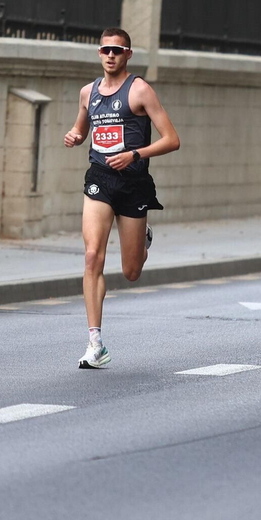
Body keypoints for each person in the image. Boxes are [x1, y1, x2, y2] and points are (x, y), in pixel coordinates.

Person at [63, 28, 181, 369]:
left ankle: (142, 241)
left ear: (127, 54)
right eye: (105, 50)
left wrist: (135, 155)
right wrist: (74, 135)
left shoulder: (140, 90)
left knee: (131, 271)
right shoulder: (88, 93)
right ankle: (95, 343)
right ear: (99, 54)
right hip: (99, 179)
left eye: (117, 50)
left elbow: (172, 139)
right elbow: (83, 129)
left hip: (133, 182)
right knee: (91, 256)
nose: (110, 55)